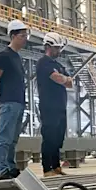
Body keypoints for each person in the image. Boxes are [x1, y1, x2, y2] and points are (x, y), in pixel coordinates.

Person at [0, 19, 28, 180]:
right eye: (22, 35)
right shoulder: (4, 56)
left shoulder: (17, 57)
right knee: (4, 138)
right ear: (13, 36)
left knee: (13, 139)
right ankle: (2, 169)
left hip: (18, 102)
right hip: (8, 102)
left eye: (26, 35)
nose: (25, 38)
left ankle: (11, 166)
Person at [35, 31, 73, 176]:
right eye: (57, 48)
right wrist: (64, 79)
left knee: (58, 137)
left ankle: (56, 166)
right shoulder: (43, 63)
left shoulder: (58, 65)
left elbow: (70, 83)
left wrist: (64, 79)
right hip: (48, 106)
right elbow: (58, 78)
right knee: (49, 137)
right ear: (49, 47)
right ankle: (47, 168)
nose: (59, 51)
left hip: (60, 106)